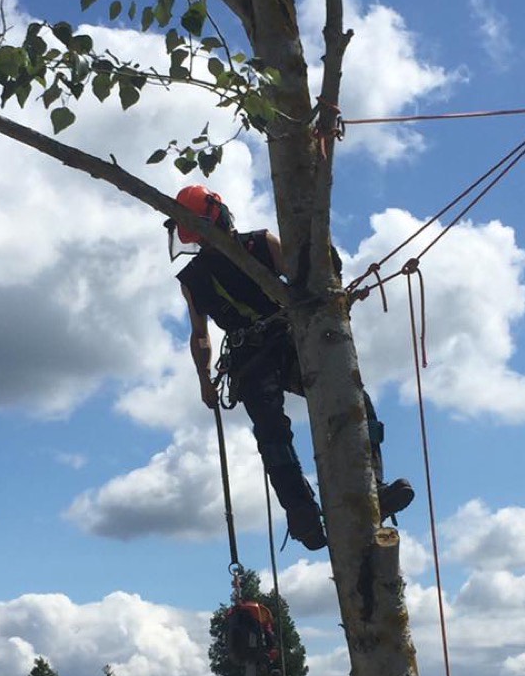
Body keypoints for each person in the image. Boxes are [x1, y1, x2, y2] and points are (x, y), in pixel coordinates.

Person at [169, 184, 414, 551]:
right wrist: (204, 379)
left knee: (285, 431)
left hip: (265, 353)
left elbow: (201, 335)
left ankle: (330, 502)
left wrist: (205, 379)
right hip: (275, 349)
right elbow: (202, 333)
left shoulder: (229, 259)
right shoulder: (250, 248)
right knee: (335, 409)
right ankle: (331, 501)